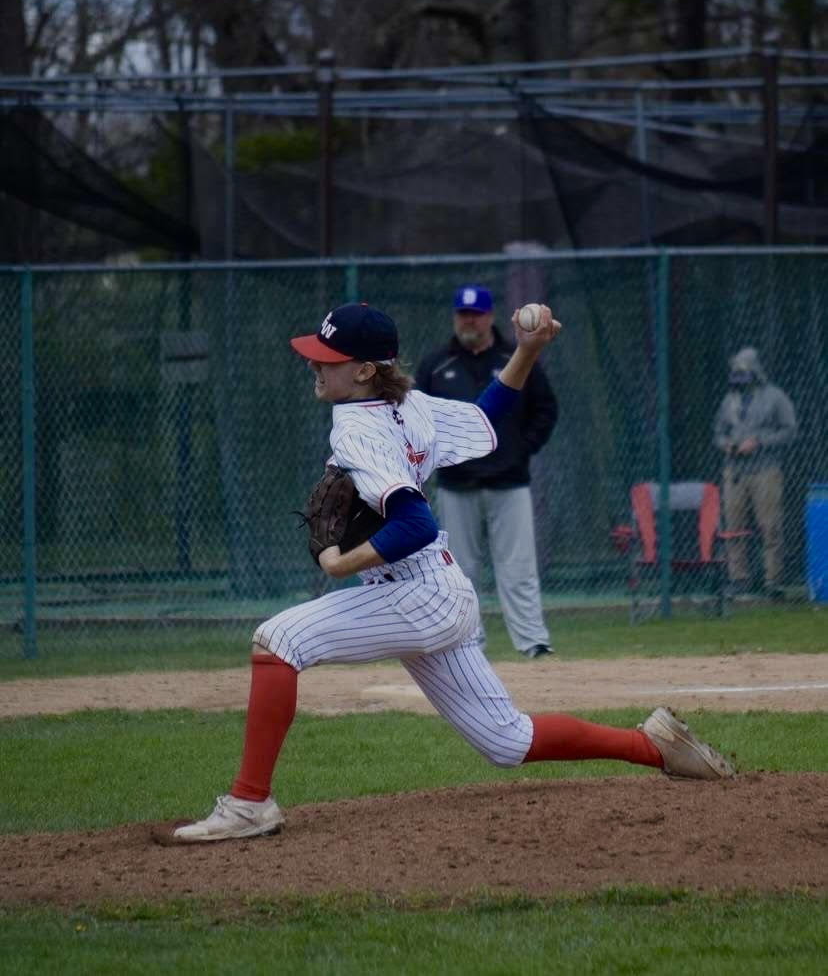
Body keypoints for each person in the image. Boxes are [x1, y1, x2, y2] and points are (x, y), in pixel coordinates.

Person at [172, 301, 734, 843]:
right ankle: (656, 746)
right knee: (507, 741)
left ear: (365, 370)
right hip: (438, 592)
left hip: (415, 592)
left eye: (328, 357)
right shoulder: (408, 404)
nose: (315, 365)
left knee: (277, 642)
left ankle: (248, 804)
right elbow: (488, 413)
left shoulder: (356, 430)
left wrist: (342, 562)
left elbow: (413, 524)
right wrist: (531, 348)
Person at [415, 285, 557, 658]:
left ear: (490, 316)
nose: (469, 320)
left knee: (519, 567)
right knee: (459, 570)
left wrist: (520, 451)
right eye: (463, 313)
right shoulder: (436, 364)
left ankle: (533, 643)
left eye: (476, 313)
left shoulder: (516, 356)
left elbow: (545, 409)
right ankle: (468, 641)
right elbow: (419, 420)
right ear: (454, 317)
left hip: (509, 481)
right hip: (456, 484)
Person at [713, 346, 797, 600]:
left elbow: (789, 430)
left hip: (765, 470)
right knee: (733, 527)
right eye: (735, 371)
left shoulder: (775, 397)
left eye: (743, 371)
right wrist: (726, 444)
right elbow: (718, 432)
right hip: (735, 471)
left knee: (769, 525)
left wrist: (759, 441)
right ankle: (739, 578)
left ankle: (773, 580)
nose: (739, 376)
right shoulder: (729, 400)